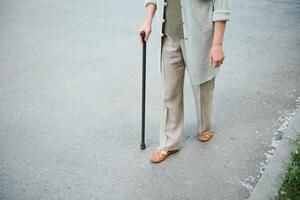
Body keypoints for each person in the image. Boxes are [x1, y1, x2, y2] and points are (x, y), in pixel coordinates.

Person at [138, 0, 231, 163]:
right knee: (170, 90)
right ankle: (169, 142)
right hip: (169, 36)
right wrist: (148, 22)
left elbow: (221, 6)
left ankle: (205, 126)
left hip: (199, 36)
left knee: (202, 84)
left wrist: (217, 45)